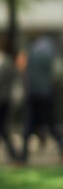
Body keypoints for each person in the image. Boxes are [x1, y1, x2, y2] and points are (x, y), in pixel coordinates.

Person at [20, 32, 63, 162]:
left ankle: (24, 154)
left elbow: (25, 71)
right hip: (46, 92)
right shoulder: (50, 50)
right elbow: (57, 71)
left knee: (29, 123)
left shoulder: (31, 50)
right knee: (51, 124)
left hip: (33, 92)